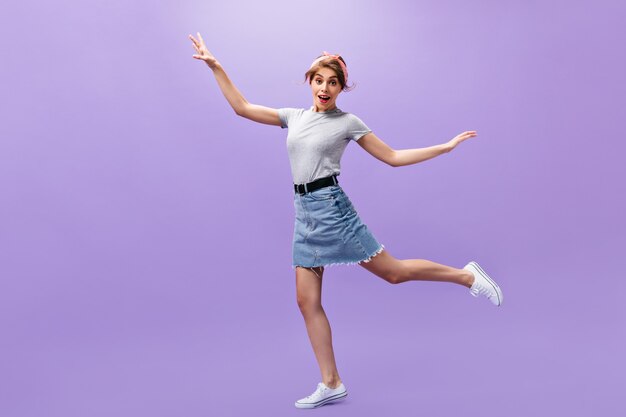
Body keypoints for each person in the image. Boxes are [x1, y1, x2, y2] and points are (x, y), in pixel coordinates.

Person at [188, 32, 503, 409]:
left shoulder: (347, 122)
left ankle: (466, 275)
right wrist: (215, 66)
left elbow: (394, 157)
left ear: (341, 88)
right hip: (304, 214)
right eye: (319, 80)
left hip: (331, 208)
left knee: (394, 273)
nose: (325, 88)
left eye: (333, 82)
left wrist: (445, 146)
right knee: (306, 301)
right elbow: (241, 107)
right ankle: (332, 382)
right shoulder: (293, 117)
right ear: (310, 82)